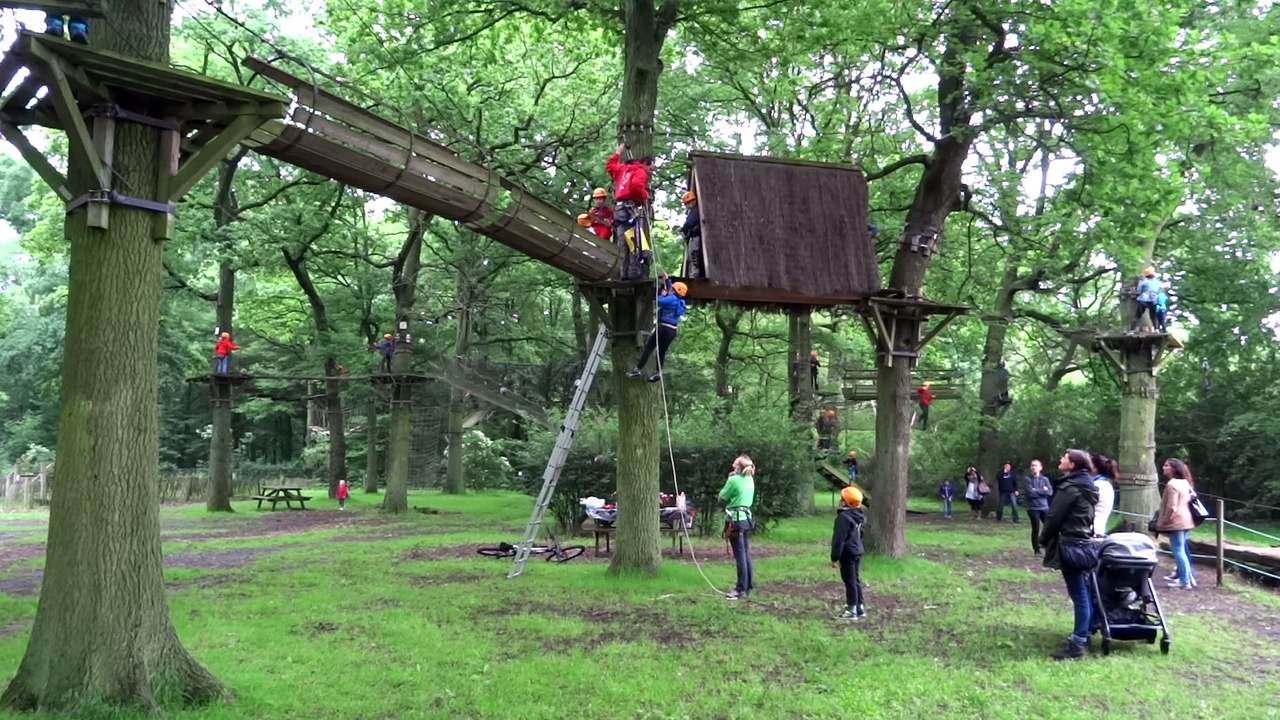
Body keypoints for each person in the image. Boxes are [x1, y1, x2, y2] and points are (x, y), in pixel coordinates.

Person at [1039, 449, 1099, 660]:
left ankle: (1078, 642)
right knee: (1083, 593)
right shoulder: (1088, 485)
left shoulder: (1071, 487)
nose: (1061, 459)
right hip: (1084, 542)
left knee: (1079, 595)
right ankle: (1084, 634)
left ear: (1072, 464)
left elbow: (1054, 516)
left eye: (1064, 457)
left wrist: (1043, 539)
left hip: (1071, 544)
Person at [627, 272, 686, 382]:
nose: (670, 289)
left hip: (663, 328)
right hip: (672, 331)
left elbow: (659, 301)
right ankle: (658, 372)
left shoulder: (671, 298)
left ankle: (637, 369)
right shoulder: (680, 301)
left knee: (649, 348)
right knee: (661, 351)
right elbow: (671, 290)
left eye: (672, 288)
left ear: (674, 291)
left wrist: (662, 294)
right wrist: (667, 280)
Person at [605, 143, 654, 276]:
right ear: (645, 163)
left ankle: (623, 272)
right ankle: (634, 273)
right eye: (651, 168)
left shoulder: (622, 169)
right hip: (629, 209)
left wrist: (618, 151)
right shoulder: (640, 171)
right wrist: (645, 195)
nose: (650, 172)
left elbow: (610, 166)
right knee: (634, 240)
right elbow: (636, 187)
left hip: (619, 209)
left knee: (622, 241)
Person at [1156, 458, 1198, 589]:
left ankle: (1185, 581)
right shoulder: (1185, 483)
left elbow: (1171, 507)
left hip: (1176, 522)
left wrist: (1164, 520)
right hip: (1186, 520)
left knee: (1178, 551)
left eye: (1167, 465)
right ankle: (1187, 577)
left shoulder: (1172, 484)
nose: (1163, 467)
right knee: (1182, 550)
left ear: (1174, 469)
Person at [719, 455, 756, 601]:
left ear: (739, 467)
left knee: (740, 555)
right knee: (745, 553)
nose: (732, 465)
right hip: (746, 519)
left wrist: (730, 479)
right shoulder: (749, 479)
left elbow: (722, 497)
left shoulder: (733, 480)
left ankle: (741, 588)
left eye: (734, 464)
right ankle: (748, 584)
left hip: (735, 520)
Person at [830, 485, 866, 620]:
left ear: (846, 502)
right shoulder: (858, 515)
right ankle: (859, 606)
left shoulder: (843, 518)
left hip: (848, 553)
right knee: (855, 580)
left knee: (849, 581)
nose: (840, 500)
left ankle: (852, 610)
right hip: (857, 550)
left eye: (842, 498)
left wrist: (834, 557)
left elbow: (838, 540)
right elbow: (861, 534)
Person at [1024, 459, 1053, 556]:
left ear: (1040, 468)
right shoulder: (1027, 479)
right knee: (1035, 528)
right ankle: (1036, 550)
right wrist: (1042, 490)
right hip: (1033, 508)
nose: (1033, 467)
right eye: (1032, 465)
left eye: (1035, 465)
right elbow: (1030, 494)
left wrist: (1036, 490)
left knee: (1049, 527)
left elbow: (1050, 492)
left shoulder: (1045, 479)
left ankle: (1047, 547)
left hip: (1044, 507)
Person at [1090, 453, 1117, 536]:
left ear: (1094, 468)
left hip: (1091, 532)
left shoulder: (1096, 485)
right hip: (1099, 530)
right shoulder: (1105, 484)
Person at [1129, 266, 1162, 332]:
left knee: (1137, 316)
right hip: (1153, 300)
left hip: (1143, 300)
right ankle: (1157, 329)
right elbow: (1159, 291)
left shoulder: (1143, 282)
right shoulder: (1158, 282)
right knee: (1153, 316)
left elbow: (1139, 290)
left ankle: (1131, 330)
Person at [679, 190, 703, 278]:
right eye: (686, 203)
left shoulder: (695, 211)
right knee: (691, 258)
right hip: (692, 237)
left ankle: (694, 276)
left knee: (694, 256)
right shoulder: (693, 212)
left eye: (689, 202)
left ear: (694, 201)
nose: (687, 205)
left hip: (695, 237)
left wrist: (683, 229)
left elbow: (688, 224)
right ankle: (692, 275)